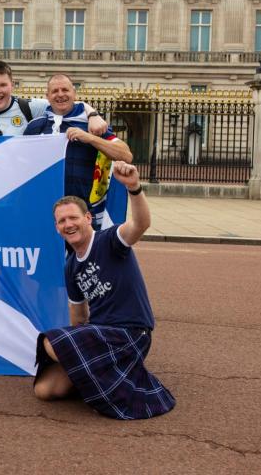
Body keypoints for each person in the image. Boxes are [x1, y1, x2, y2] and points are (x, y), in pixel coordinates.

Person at [33, 161, 176, 420]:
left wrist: (134, 188)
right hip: (100, 336)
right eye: (62, 221)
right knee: (45, 390)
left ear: (87, 218)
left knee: (48, 342)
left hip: (132, 332)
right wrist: (77, 345)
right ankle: (104, 376)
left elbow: (141, 224)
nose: (68, 224)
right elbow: (78, 318)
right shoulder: (70, 267)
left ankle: (111, 377)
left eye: (73, 217)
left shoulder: (110, 240)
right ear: (57, 227)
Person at [24, 73, 133, 229]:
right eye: (55, 91)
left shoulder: (91, 124)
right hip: (45, 208)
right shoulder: (35, 126)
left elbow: (125, 155)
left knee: (84, 253)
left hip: (83, 209)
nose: (60, 94)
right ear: (47, 96)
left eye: (65, 90)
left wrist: (90, 138)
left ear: (74, 93)